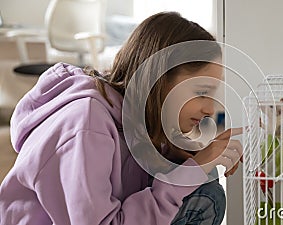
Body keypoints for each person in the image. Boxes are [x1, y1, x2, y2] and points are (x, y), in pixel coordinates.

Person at [0, 12, 243, 225]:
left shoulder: (140, 120)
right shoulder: (86, 124)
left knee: (202, 180)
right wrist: (194, 169)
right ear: (159, 81)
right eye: (201, 92)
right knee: (202, 192)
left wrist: (191, 160)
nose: (211, 109)